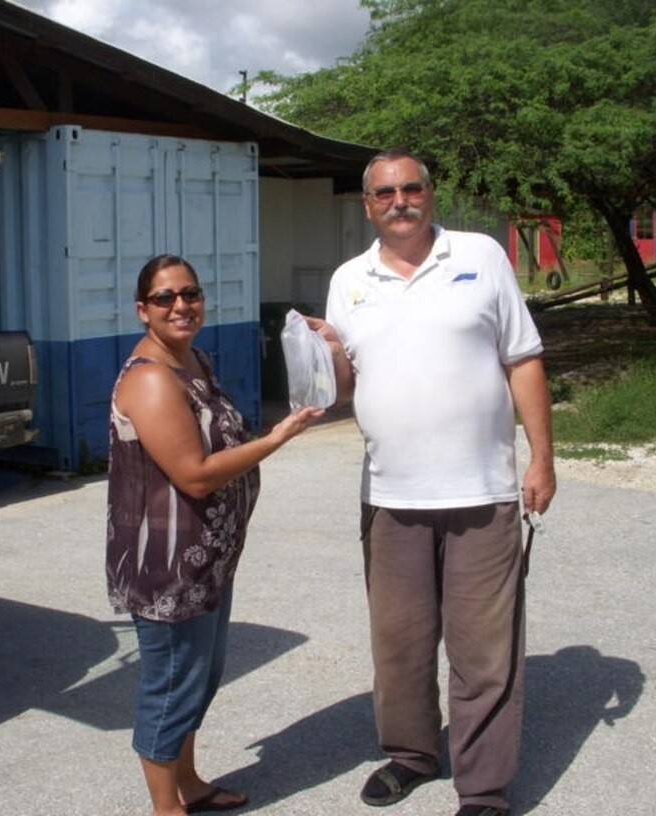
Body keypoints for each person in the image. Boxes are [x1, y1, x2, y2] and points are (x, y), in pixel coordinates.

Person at [307, 150, 556, 816]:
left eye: (411, 188)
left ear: (430, 193)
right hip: (390, 496)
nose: (400, 201)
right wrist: (327, 356)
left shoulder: (481, 257)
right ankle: (412, 755)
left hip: (482, 492)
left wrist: (541, 459)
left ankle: (483, 789)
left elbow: (524, 359)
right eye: (385, 192)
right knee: (401, 644)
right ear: (367, 205)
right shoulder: (348, 280)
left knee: (485, 651)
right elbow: (350, 382)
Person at [106, 254, 324, 816]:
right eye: (165, 298)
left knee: (198, 681)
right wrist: (278, 438)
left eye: (191, 294)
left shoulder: (193, 361)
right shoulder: (151, 379)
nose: (181, 305)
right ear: (142, 310)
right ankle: (165, 808)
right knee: (171, 685)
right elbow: (196, 476)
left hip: (208, 559)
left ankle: (191, 783)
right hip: (169, 568)